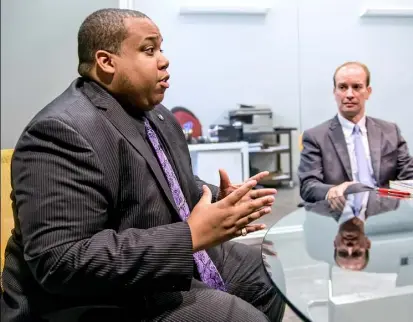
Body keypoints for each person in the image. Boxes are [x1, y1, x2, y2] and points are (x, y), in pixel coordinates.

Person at [0, 8, 285, 322]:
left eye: (161, 48)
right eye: (149, 50)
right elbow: (60, 261)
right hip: (86, 300)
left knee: (266, 270)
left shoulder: (157, 115)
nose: (164, 60)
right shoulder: (60, 132)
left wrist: (221, 201)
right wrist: (190, 235)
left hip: (153, 255)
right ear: (106, 62)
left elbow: (175, 186)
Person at [298, 61, 413, 202]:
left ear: (368, 92)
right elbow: (308, 186)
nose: (350, 94)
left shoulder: (390, 131)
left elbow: (409, 177)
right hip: (340, 213)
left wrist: (391, 196)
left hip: (387, 212)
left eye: (357, 87)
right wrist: (333, 191)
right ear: (335, 92)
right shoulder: (315, 137)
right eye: (342, 87)